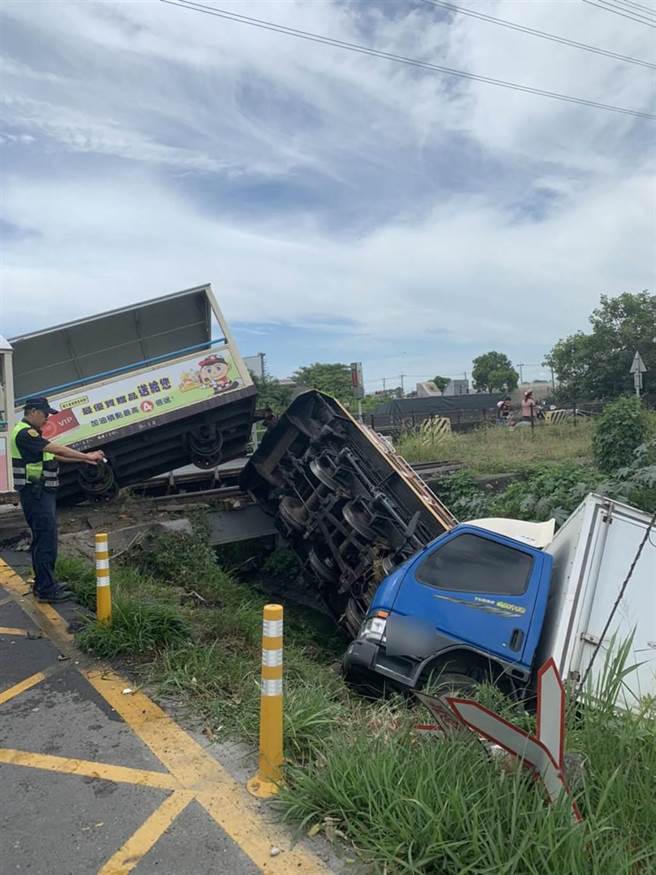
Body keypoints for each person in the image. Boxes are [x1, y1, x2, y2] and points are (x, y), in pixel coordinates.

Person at [10, 397, 105, 603]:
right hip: (36, 493)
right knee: (46, 540)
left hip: (39, 493)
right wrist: (87, 457)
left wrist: (84, 457)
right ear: (33, 412)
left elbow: (55, 456)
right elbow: (57, 449)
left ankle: (44, 583)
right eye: (45, 414)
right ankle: (47, 590)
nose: (47, 419)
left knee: (43, 539)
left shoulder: (31, 433)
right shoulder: (26, 433)